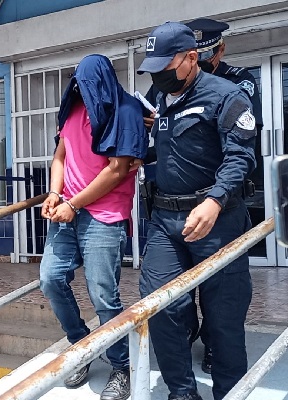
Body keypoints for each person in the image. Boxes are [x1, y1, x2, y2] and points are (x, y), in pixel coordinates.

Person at [137, 22, 256, 400]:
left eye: (164, 66)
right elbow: (168, 150)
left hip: (216, 219)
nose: (158, 75)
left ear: (192, 57)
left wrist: (215, 199)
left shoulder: (226, 95)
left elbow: (241, 156)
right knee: (161, 307)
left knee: (223, 320)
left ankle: (229, 393)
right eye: (152, 68)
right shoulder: (159, 96)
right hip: (165, 220)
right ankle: (182, 393)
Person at [39, 55, 148, 400]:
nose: (81, 91)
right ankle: (82, 346)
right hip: (67, 210)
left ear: (102, 81)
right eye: (77, 85)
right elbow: (60, 156)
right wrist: (55, 194)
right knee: (50, 279)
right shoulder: (72, 109)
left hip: (103, 214)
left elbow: (118, 169)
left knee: (103, 294)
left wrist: (73, 204)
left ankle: (121, 366)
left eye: (87, 85)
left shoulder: (126, 111)